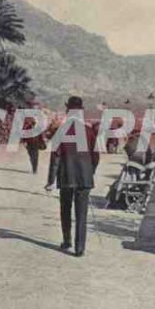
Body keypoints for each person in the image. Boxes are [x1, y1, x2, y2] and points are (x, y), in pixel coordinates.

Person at [45, 96, 100, 257]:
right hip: (84, 179)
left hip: (66, 177)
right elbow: (95, 157)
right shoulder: (89, 131)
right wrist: (90, 172)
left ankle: (67, 240)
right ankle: (80, 248)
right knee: (81, 214)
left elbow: (55, 158)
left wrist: (50, 181)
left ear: (68, 111)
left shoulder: (61, 131)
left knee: (65, 210)